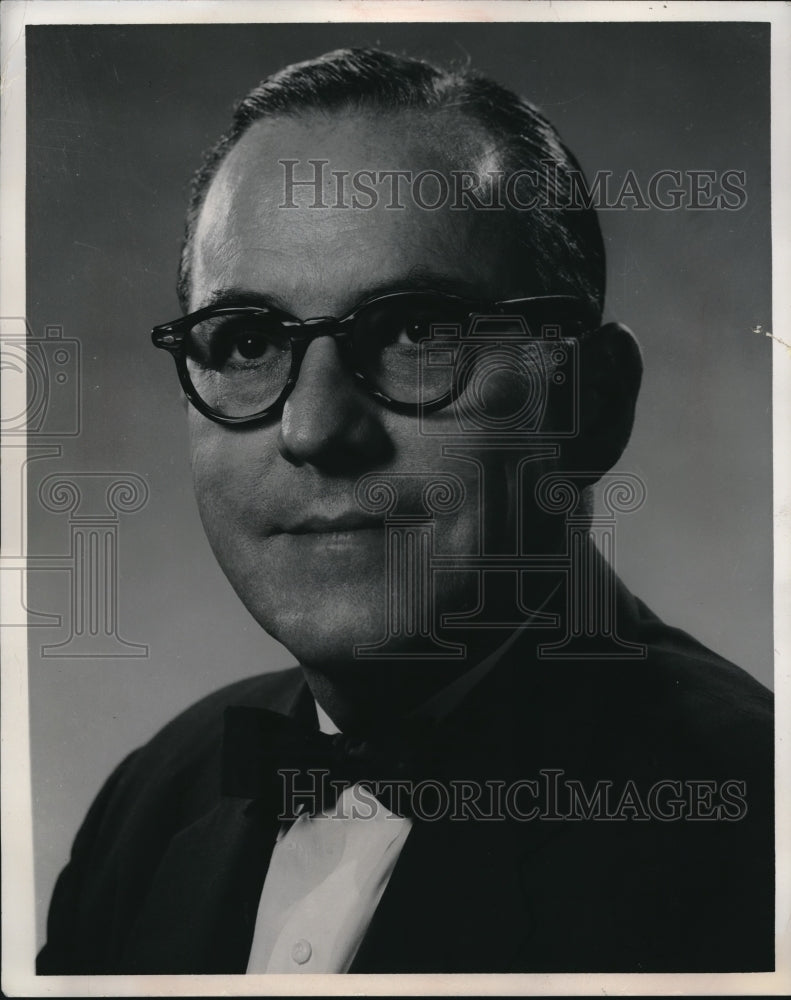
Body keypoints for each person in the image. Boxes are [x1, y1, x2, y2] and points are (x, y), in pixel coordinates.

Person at [37, 47, 773, 976]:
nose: (312, 429)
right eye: (250, 339)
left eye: (418, 331)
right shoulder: (153, 799)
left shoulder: (754, 835)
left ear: (592, 403)